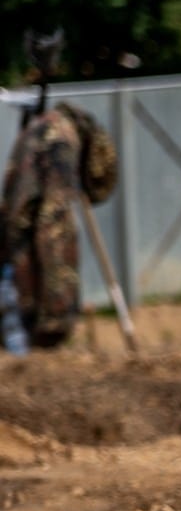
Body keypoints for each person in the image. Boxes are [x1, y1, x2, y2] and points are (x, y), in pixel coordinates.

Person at [2, 101, 116, 350]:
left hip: (15, 268)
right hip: (26, 281)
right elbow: (54, 229)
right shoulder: (61, 138)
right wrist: (58, 314)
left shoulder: (41, 129)